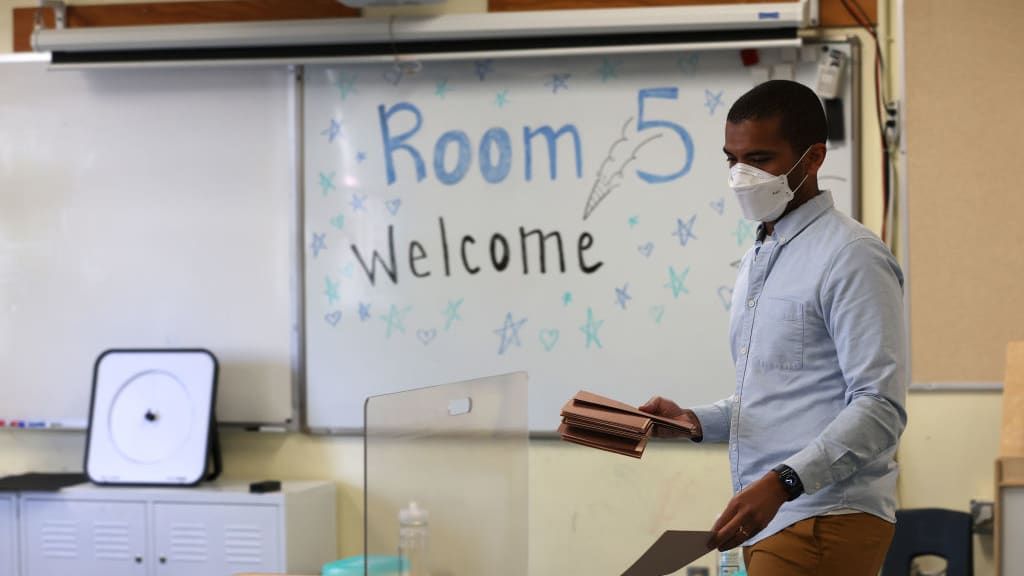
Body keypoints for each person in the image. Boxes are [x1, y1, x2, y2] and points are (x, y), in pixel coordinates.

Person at [639, 80, 907, 576]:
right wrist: (693, 422)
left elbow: (880, 407)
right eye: (732, 160)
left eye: (760, 158)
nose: (742, 176)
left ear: (813, 158)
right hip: (769, 516)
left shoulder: (852, 257)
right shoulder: (761, 255)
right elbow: (779, 395)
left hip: (822, 515)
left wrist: (784, 481)